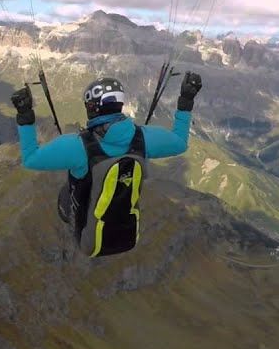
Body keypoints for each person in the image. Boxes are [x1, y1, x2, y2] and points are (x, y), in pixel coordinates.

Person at [11, 73, 202, 257]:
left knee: (64, 193)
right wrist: (186, 100)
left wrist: (25, 115)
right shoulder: (143, 138)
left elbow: (30, 159)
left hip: (89, 241)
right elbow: (179, 142)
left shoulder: (77, 146)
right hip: (128, 237)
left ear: (93, 108)